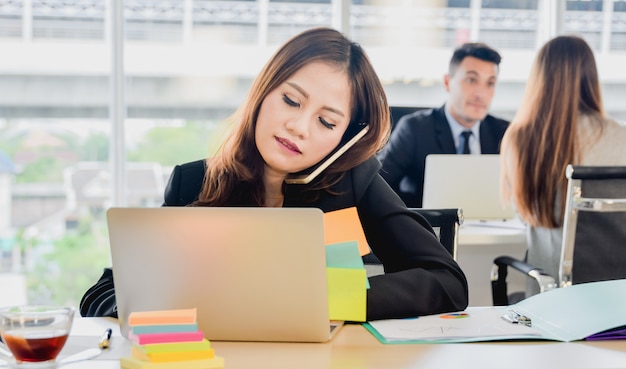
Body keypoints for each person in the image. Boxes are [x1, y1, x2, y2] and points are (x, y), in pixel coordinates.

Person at [80, 27, 468, 321]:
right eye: (290, 100)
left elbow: (448, 282)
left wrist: (325, 297)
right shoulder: (192, 182)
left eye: (326, 122)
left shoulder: (353, 183)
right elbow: (102, 293)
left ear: (344, 137)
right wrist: (162, 305)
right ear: (264, 92)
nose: (300, 127)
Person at [500, 35, 626, 296]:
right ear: (591, 77)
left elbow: (523, 214)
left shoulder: (520, 138)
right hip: (615, 299)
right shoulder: (620, 137)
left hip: (550, 299)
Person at [378, 42, 509, 207]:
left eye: (490, 83)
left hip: (492, 229)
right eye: (471, 80)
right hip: (428, 229)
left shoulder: (505, 133)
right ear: (447, 82)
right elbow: (380, 185)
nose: (481, 93)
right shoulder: (414, 129)